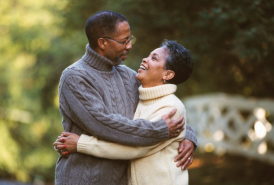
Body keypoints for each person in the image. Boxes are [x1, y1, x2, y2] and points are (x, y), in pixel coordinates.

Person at [55, 10, 197, 185]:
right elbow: (104, 125)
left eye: (130, 39)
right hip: (83, 179)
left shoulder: (128, 76)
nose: (129, 46)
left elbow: (161, 105)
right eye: (124, 41)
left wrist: (187, 135)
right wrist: (161, 131)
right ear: (103, 43)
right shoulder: (75, 77)